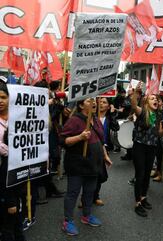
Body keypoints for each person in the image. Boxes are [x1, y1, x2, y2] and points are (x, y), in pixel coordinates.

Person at [60, 98, 112, 235]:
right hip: (77, 164)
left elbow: (101, 141)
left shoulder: (96, 119)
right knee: (72, 193)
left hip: (93, 164)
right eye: (90, 101)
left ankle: (86, 215)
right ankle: (68, 221)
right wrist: (80, 137)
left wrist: (105, 156)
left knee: (90, 191)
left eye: (95, 100)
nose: (95, 103)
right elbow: (64, 141)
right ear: (81, 105)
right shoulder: (75, 120)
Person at [130, 87, 163, 217]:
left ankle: (143, 197)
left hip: (152, 147)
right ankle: (137, 203)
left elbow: (158, 134)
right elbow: (133, 104)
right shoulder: (142, 111)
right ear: (147, 102)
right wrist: (136, 92)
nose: (155, 100)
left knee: (147, 174)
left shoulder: (159, 115)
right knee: (140, 174)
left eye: (156, 99)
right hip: (140, 147)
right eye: (152, 98)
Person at [0, 82, 26, 241]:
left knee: (16, 212)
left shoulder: (20, 116)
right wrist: (12, 151)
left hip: (19, 172)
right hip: (3, 172)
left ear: (10, 98)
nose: (0, 101)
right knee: (8, 211)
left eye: (3, 97)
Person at [93, 97, 119, 206]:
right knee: (89, 174)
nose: (101, 104)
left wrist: (113, 115)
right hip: (92, 148)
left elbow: (116, 128)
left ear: (109, 106)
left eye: (104, 102)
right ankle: (84, 197)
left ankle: (95, 196)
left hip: (104, 150)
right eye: (100, 102)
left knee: (99, 174)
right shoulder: (92, 116)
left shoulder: (109, 118)